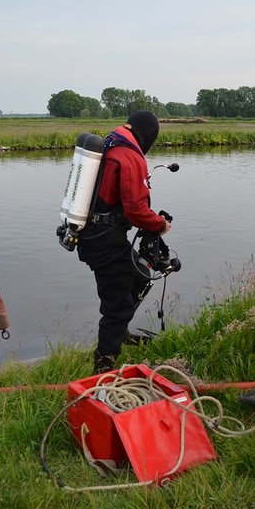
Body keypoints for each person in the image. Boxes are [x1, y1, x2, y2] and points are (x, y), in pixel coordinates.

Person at [77, 111, 171, 374]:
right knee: (117, 304)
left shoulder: (112, 143)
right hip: (105, 241)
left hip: (94, 234)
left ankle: (121, 332)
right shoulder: (129, 155)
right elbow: (136, 210)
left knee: (140, 276)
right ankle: (104, 362)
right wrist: (160, 225)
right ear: (148, 134)